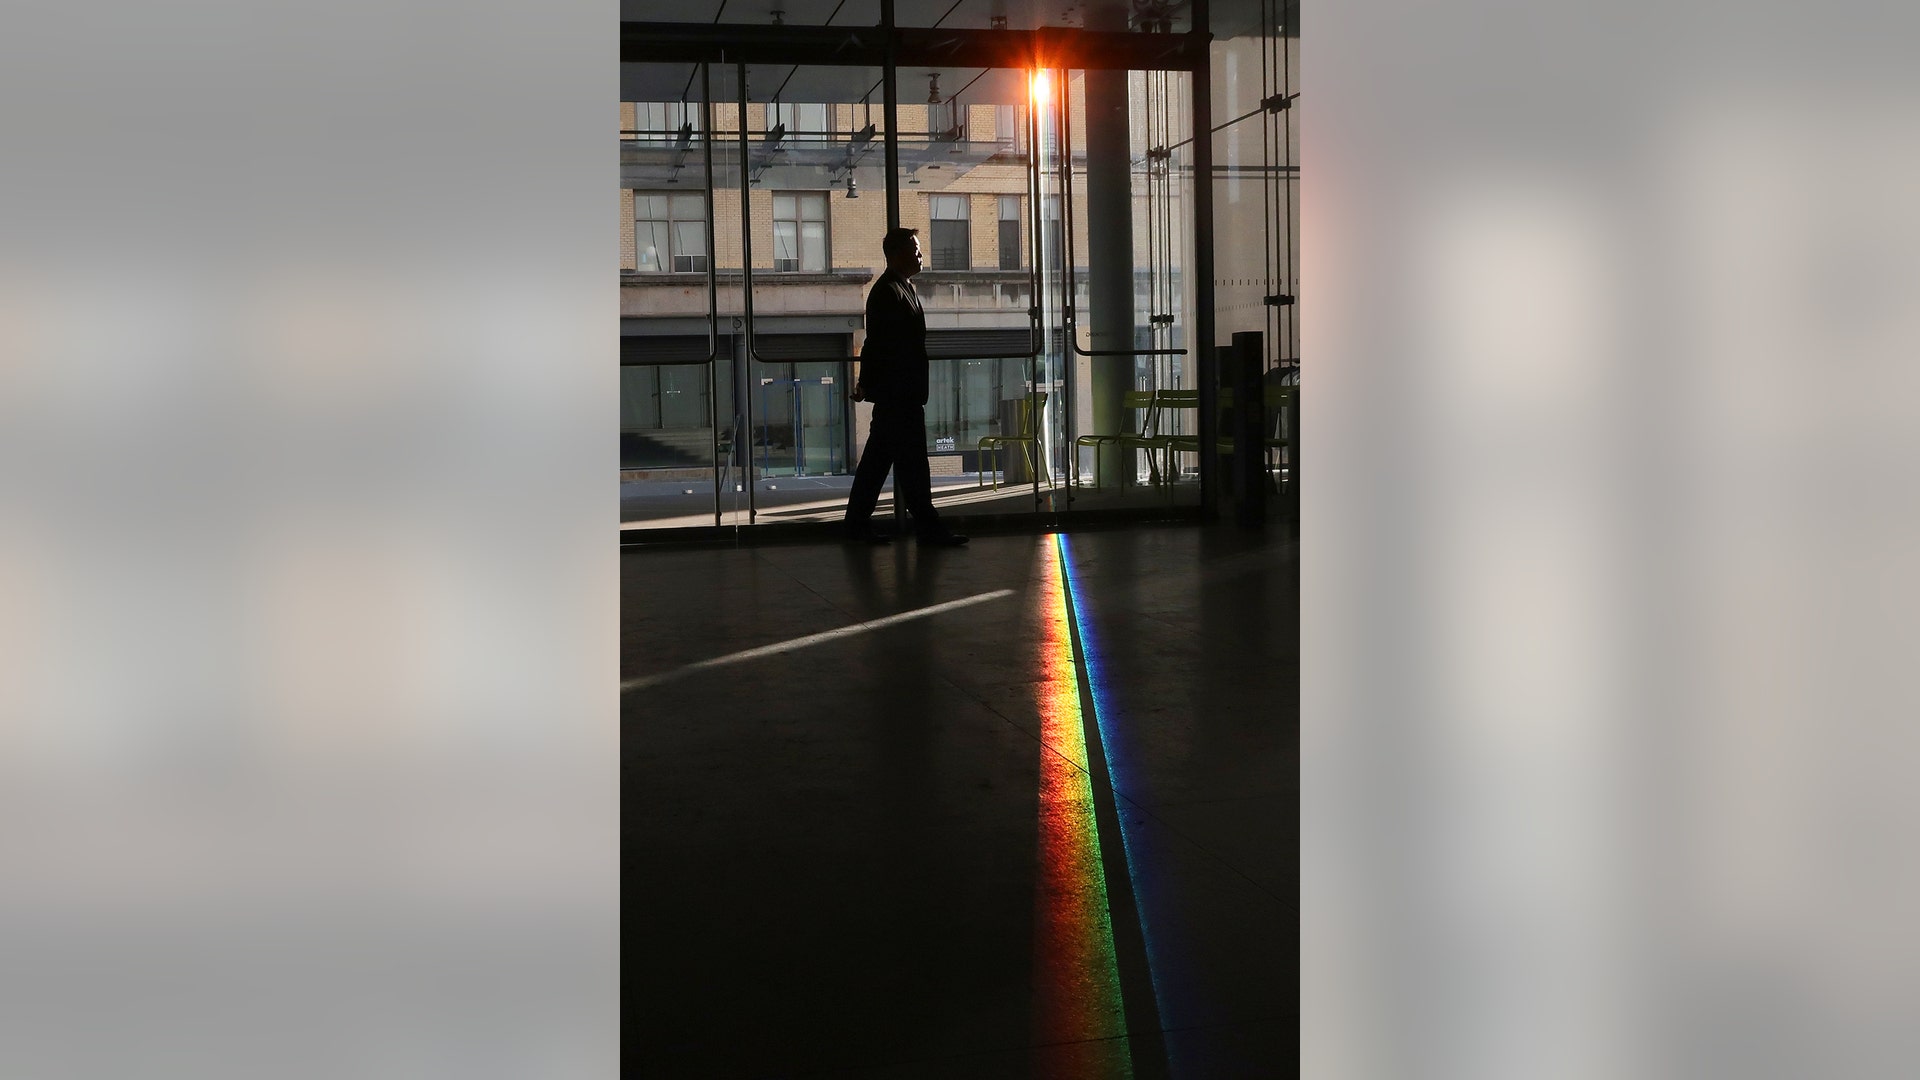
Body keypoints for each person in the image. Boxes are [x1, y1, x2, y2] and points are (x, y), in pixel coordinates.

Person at [843, 228, 969, 547]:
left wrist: (868, 383)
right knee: (909, 465)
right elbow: (875, 344)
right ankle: (926, 528)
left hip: (900, 394)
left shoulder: (900, 288)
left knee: (881, 464)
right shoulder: (889, 291)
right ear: (897, 254)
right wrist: (866, 382)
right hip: (899, 394)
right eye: (915, 249)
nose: (920, 255)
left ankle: (859, 526)